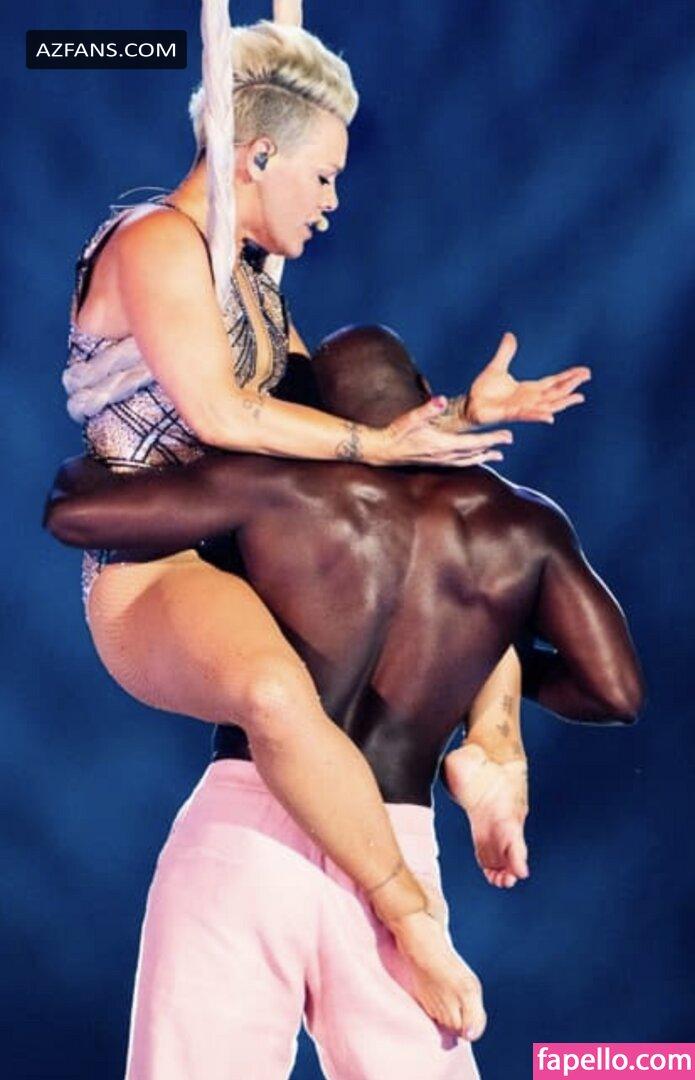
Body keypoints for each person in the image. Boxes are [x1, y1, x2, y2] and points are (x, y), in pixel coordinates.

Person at [58, 18, 592, 1038]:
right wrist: (375, 446)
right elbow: (222, 414)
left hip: (249, 539)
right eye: (324, 177)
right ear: (256, 156)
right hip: (156, 566)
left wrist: (458, 415)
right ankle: (410, 919)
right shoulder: (154, 243)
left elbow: (337, 422)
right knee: (272, 691)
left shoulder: (252, 290)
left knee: (446, 534)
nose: (334, 201)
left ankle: (491, 747)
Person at [45, 325, 643, 1079]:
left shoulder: (277, 484)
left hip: (246, 829)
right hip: (396, 844)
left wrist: (111, 434)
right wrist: (484, 647)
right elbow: (613, 691)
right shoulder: (522, 525)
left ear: (318, 422)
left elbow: (75, 517)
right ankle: (493, 749)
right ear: (424, 400)